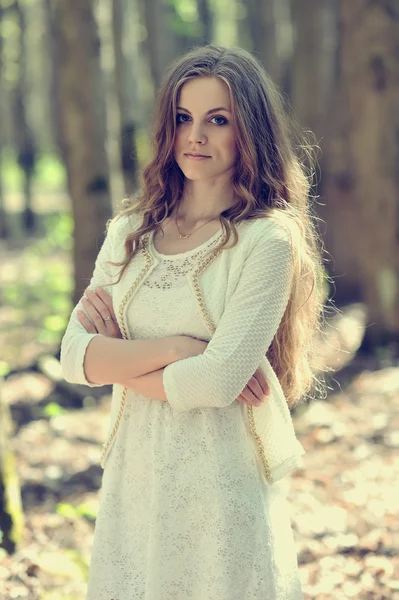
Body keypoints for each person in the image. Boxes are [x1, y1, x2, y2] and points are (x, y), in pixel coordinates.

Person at [60, 44, 328, 600]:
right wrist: (184, 349)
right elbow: (71, 356)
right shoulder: (130, 229)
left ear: (248, 131)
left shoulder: (267, 241)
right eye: (183, 118)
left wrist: (115, 360)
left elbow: (216, 382)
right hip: (135, 468)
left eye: (217, 119)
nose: (195, 136)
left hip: (219, 479)